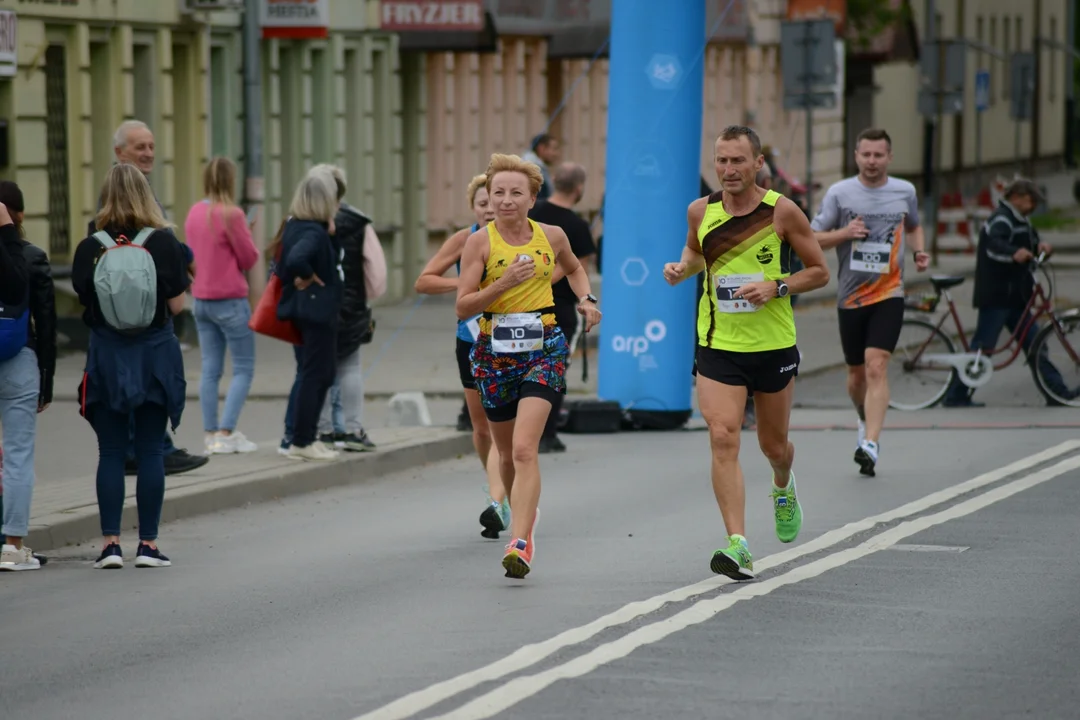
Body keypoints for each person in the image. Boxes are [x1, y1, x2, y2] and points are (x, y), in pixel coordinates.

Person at [663, 125, 829, 581]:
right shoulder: (700, 210)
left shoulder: (783, 212)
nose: (729, 169)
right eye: (721, 160)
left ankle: (782, 483)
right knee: (722, 436)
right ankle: (737, 544)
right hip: (718, 344)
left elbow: (818, 272)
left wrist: (776, 286)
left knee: (773, 446)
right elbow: (698, 254)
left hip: (772, 345)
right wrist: (681, 269)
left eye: (738, 161)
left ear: (758, 163)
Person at [456, 153, 601, 578]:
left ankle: (519, 542)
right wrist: (501, 284)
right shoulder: (479, 242)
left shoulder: (552, 235)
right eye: (497, 193)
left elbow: (574, 269)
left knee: (524, 448)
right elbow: (462, 305)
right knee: (504, 454)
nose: (504, 200)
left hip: (544, 348)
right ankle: (523, 511)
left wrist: (586, 299)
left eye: (515, 193)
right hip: (494, 353)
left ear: (532, 198)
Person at [73, 163, 190, 569]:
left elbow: (83, 296)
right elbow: (176, 294)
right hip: (154, 354)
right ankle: (149, 545)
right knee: (150, 450)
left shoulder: (92, 246)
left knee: (110, 452)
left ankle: (109, 544)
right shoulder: (162, 242)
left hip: (107, 354)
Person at [811, 128, 928, 476]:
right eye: (866, 155)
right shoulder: (840, 193)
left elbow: (914, 226)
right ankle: (864, 419)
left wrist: (920, 251)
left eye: (879, 155)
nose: (872, 162)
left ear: (889, 157)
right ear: (856, 156)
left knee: (877, 366)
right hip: (851, 295)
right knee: (856, 374)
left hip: (889, 292)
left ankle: (871, 445)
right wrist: (845, 234)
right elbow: (812, 237)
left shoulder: (904, 191)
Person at [98, 120, 207, 476]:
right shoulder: (119, 189)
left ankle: (157, 446)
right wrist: (180, 259)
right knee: (141, 380)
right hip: (136, 308)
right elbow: (146, 236)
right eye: (139, 146)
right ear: (119, 152)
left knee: (141, 382)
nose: (147, 153)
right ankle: (150, 449)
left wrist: (183, 255)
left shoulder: (142, 186)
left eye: (150, 146)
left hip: (144, 305)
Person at [416, 172, 511, 538]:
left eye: (494, 202)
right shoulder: (464, 239)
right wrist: (465, 284)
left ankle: (499, 500)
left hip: (510, 341)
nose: (489, 210)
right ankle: (497, 496)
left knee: (508, 427)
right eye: (482, 204)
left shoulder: (522, 237)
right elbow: (424, 280)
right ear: (474, 207)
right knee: (482, 427)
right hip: (471, 339)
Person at [943, 177, 1075, 407]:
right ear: (1016, 198)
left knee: (1035, 344)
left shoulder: (1020, 219)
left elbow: (1030, 243)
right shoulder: (1001, 219)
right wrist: (1015, 253)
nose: (1034, 205)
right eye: (1030, 200)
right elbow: (994, 246)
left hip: (1016, 297)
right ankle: (956, 395)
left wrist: (1041, 247)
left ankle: (1057, 392)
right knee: (983, 349)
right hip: (997, 296)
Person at [305, 164, 387, 452]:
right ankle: (352, 430)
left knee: (319, 367)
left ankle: (326, 430)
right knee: (350, 367)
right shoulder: (358, 222)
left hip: (312, 306)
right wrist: (367, 296)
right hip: (351, 306)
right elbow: (377, 274)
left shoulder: (301, 220)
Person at [184, 157, 261, 455]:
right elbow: (249, 259)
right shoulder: (232, 214)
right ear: (231, 181)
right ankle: (226, 431)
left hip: (201, 300)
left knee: (210, 370)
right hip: (230, 300)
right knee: (243, 367)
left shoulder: (194, 212)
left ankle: (210, 432)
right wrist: (248, 233)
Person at [528, 162, 597, 454]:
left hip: (520, 304)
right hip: (560, 308)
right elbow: (579, 268)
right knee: (553, 370)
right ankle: (547, 434)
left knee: (522, 366)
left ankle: (523, 430)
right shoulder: (578, 226)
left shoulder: (532, 212)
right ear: (579, 189)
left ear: (554, 182)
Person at [276, 173, 343, 462]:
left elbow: (280, 264)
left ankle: (306, 437)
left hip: (304, 311)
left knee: (313, 373)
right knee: (316, 374)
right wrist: (308, 276)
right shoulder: (312, 233)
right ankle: (303, 440)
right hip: (316, 313)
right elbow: (294, 261)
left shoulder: (296, 226)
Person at [0, 188, 44, 571]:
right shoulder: (28, 255)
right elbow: (43, 322)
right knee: (18, 455)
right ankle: (13, 546)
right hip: (18, 361)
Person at [522, 134, 561, 202]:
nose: (556, 154)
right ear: (541, 148)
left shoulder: (537, 168)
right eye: (554, 149)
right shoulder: (534, 171)